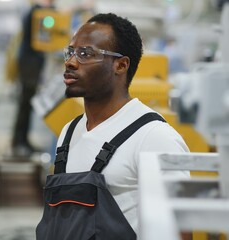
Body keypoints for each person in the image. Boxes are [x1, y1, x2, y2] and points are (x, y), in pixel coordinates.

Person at [36, 13, 190, 239]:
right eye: (70, 52)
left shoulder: (154, 137)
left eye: (85, 53)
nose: (70, 62)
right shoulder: (69, 133)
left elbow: (180, 229)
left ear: (121, 65)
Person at [11, 0, 55, 156]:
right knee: (25, 104)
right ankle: (19, 142)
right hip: (30, 64)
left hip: (30, 63)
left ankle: (23, 140)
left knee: (27, 104)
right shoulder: (37, 13)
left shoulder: (34, 12)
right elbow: (46, 31)